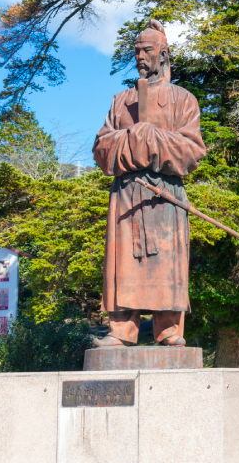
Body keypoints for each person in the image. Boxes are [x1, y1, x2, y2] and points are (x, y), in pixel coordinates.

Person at [92, 20, 206, 347]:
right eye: (137, 51)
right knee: (124, 264)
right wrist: (131, 137)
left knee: (166, 266)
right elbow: (102, 148)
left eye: (147, 51)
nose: (141, 57)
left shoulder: (183, 100)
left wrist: (153, 138)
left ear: (163, 54)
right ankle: (121, 331)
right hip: (127, 195)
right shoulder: (121, 101)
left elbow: (192, 151)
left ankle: (170, 330)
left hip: (165, 196)